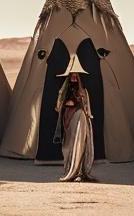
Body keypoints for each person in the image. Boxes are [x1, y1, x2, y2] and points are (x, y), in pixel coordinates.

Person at [53, 54, 94, 182]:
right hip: (68, 120)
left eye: (76, 75)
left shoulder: (83, 91)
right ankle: (70, 169)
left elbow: (87, 107)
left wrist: (82, 110)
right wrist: (67, 104)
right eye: (72, 75)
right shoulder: (64, 91)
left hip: (80, 119)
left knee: (80, 143)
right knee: (69, 145)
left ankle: (79, 172)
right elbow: (59, 105)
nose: (74, 77)